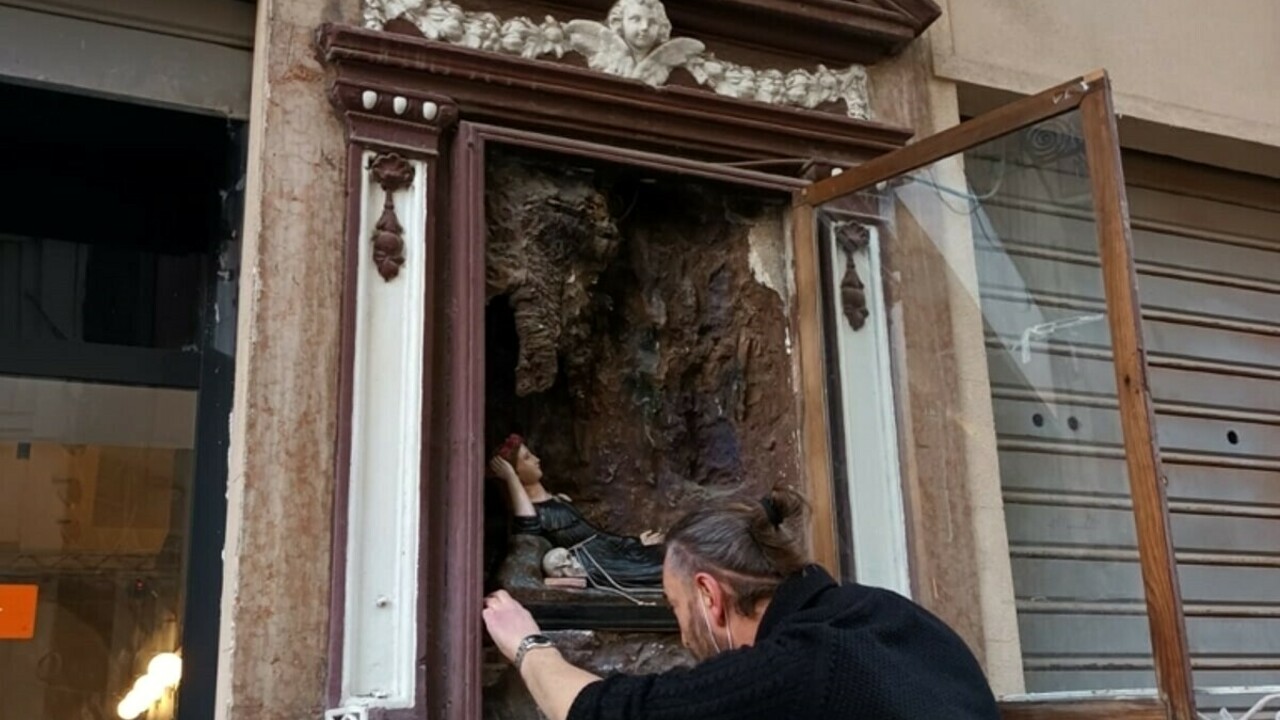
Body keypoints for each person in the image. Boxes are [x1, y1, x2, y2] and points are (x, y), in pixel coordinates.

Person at [481, 486, 1001, 720]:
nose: (683, 633)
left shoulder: (800, 667)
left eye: (676, 607)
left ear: (709, 596)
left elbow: (599, 712)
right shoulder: (881, 611)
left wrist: (526, 642)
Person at [489, 434, 665, 587]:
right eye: (527, 458)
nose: (536, 459)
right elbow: (527, 528)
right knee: (664, 567)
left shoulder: (557, 500)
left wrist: (634, 543)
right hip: (598, 564)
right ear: (515, 472)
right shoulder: (533, 512)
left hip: (610, 553)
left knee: (667, 554)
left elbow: (595, 534)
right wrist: (511, 478)